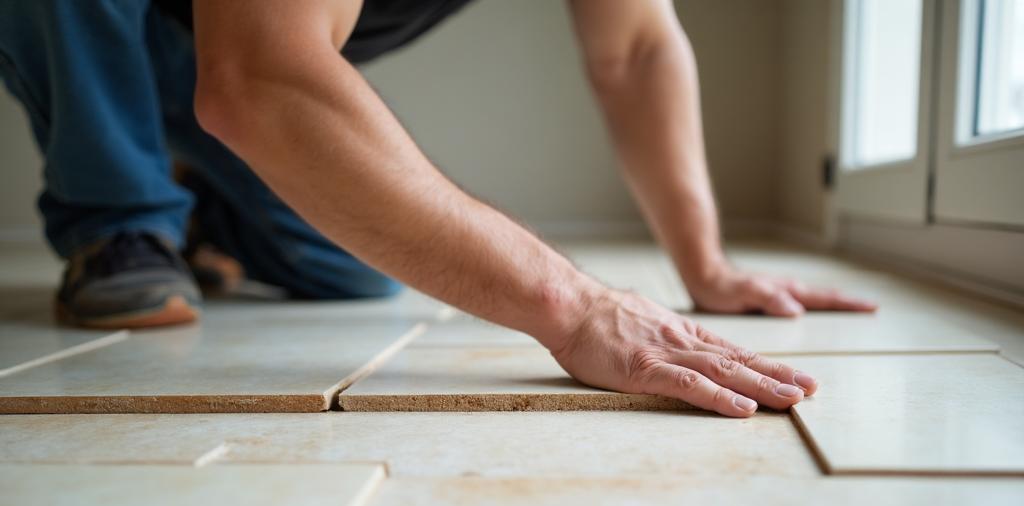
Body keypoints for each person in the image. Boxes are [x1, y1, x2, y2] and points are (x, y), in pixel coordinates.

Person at [0, 0, 876, 417]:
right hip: (116, 30)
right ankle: (121, 218)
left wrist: (706, 267)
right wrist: (574, 307)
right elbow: (260, 80)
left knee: (353, 268)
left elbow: (637, 50)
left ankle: (184, 195)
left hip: (206, 49)